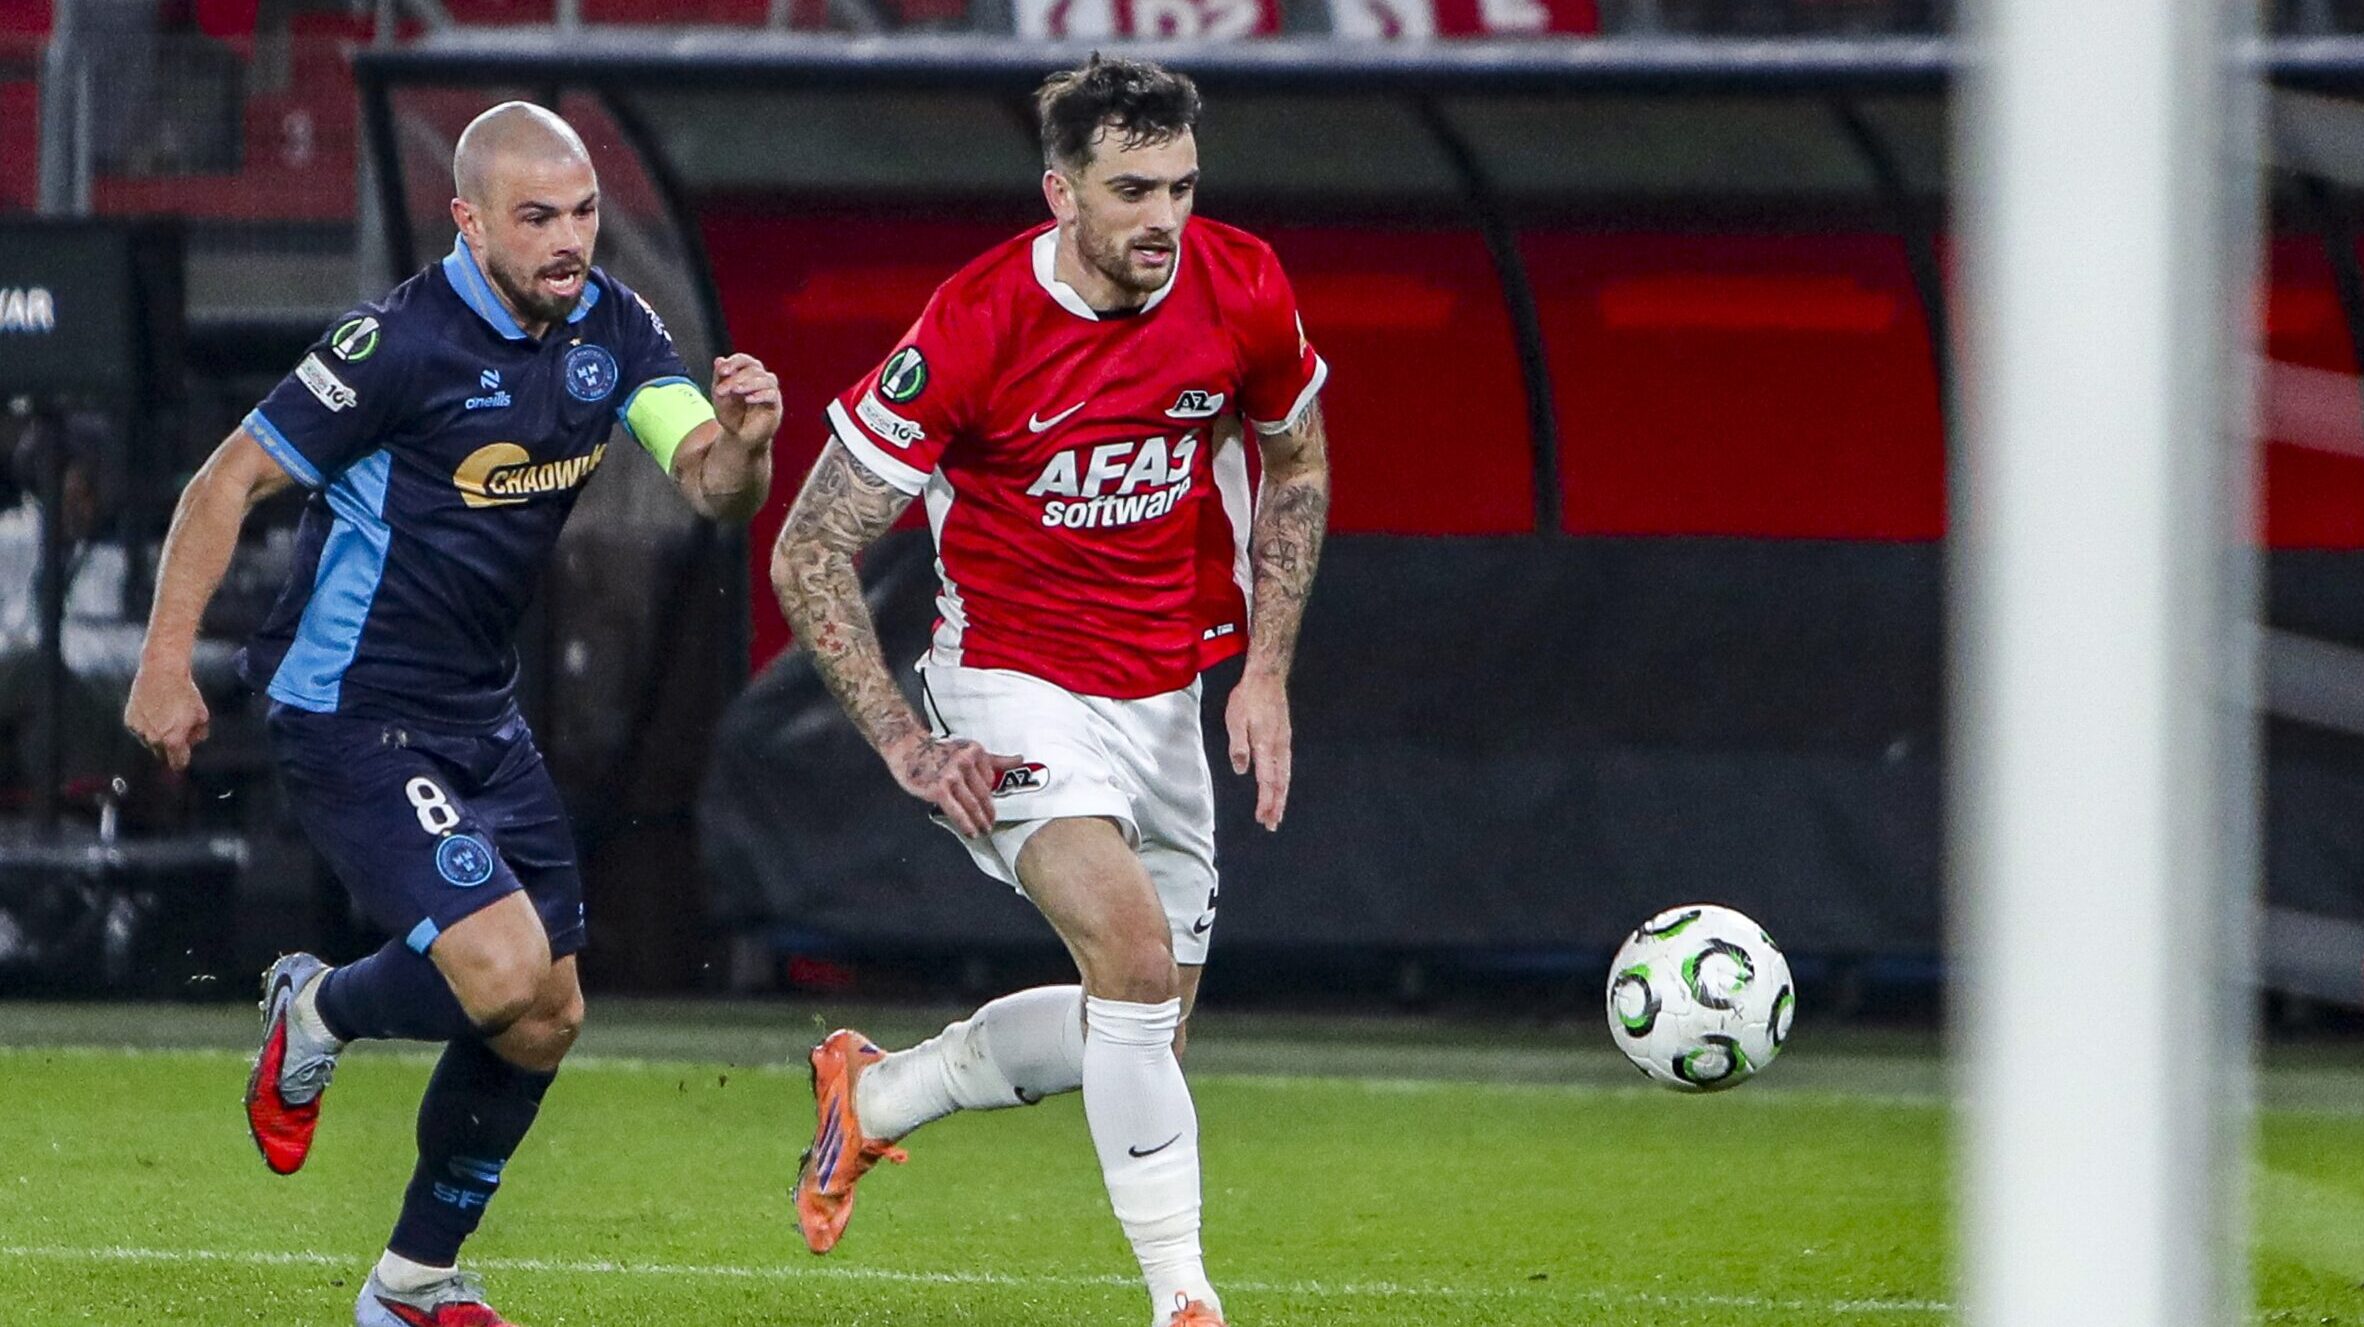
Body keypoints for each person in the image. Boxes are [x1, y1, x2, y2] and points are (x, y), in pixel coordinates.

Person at [122, 101, 780, 1327]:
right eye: (537, 218)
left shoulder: (615, 326)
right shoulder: (395, 346)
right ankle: (317, 1009)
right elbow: (228, 481)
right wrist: (166, 663)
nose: (569, 240)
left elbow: (711, 487)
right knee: (502, 973)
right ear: (469, 222)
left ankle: (411, 1285)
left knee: (548, 1017)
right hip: (352, 708)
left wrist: (745, 446)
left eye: (583, 212)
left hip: (480, 713)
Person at [770, 53, 1331, 1327]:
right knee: (1131, 959)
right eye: (1132, 190)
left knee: (1145, 1028)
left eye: (1182, 186)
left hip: (1163, 691)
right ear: (1059, 193)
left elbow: (1295, 459)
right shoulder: (973, 324)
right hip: (1009, 684)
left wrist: (1268, 667)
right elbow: (809, 546)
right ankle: (1184, 1299)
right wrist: (907, 742)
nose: (1164, 218)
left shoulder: (1242, 283)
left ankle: (879, 1093)